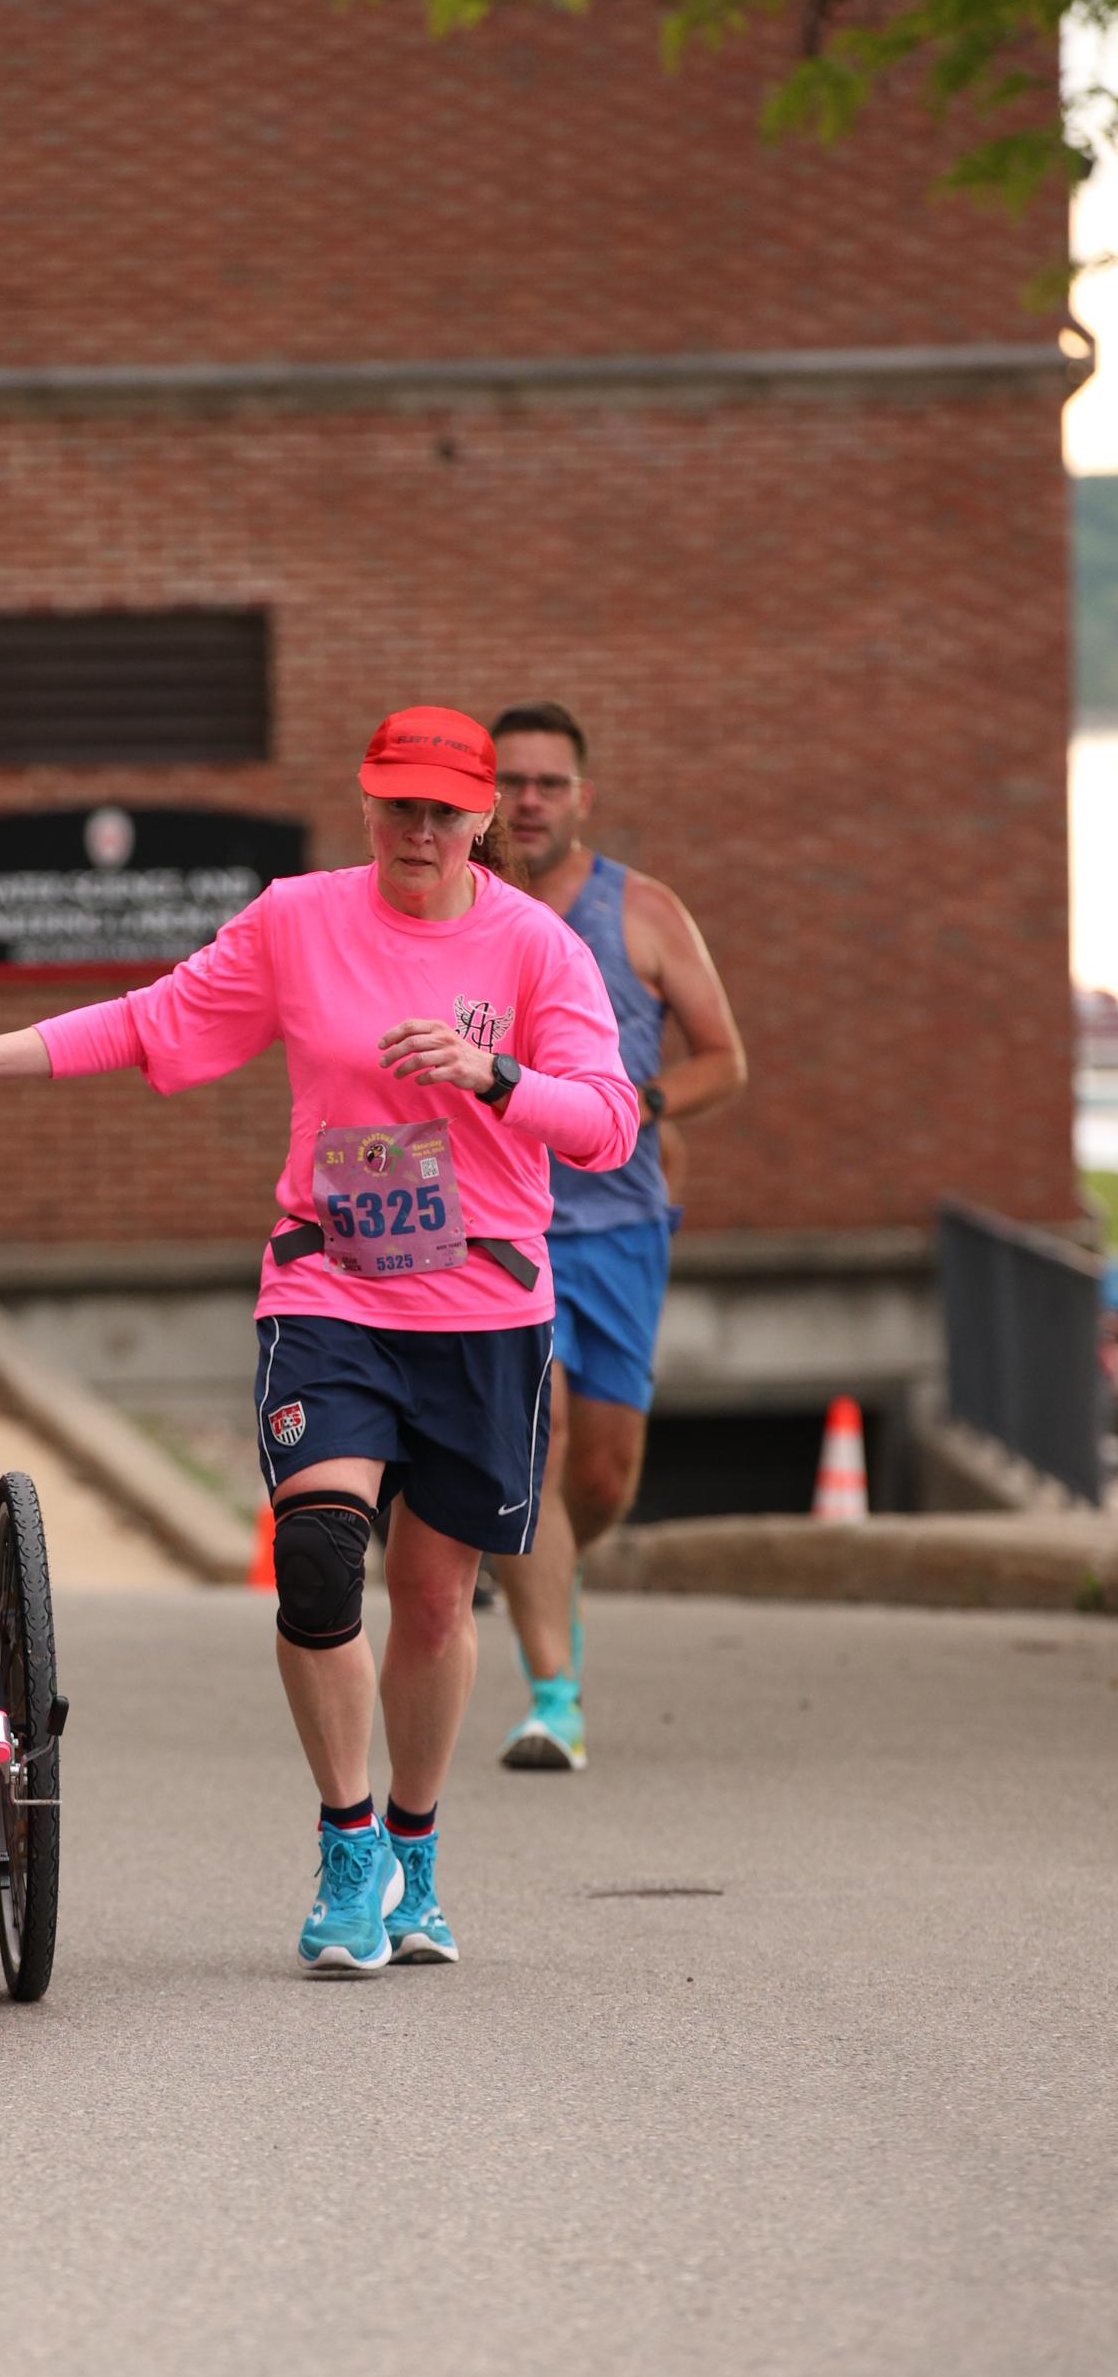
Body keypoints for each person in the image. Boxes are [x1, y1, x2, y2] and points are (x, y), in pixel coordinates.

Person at [0, 705, 638, 1977]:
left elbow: (607, 1124)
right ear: (365, 802)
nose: (417, 828)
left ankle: (414, 1851)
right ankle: (348, 1842)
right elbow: (151, 1020)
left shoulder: (533, 947)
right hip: (329, 1287)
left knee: (435, 1600)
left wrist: (492, 1075)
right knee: (318, 1559)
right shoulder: (299, 919)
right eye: (396, 803)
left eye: (442, 810)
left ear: (479, 821)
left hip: (482, 1306)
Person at [487, 702, 747, 1773]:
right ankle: (554, 1696)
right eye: (509, 781)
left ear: (582, 796)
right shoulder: (464, 907)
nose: (528, 801)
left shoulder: (641, 910)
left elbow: (724, 1058)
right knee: (535, 1444)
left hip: (621, 1224)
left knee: (601, 1478)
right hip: (501, 1225)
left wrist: (641, 1104)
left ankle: (539, 1565)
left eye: (548, 783)